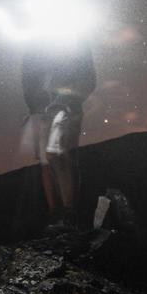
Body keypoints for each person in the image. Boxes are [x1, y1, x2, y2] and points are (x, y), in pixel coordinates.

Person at [22, 38, 96, 230]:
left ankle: (69, 212)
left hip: (65, 106)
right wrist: (34, 107)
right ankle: (57, 214)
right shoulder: (39, 47)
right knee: (48, 162)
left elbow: (88, 79)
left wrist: (67, 99)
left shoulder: (76, 44)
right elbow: (30, 78)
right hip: (45, 109)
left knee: (59, 155)